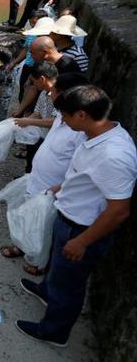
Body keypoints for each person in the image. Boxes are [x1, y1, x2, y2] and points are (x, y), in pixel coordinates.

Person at [16, 86, 137, 347]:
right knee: (57, 271)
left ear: (81, 115)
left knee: (69, 284)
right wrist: (62, 187)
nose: (63, 121)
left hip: (81, 229)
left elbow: (119, 210)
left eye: (65, 116)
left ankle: (54, 331)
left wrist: (82, 242)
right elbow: (85, 176)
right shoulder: (94, 135)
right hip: (68, 215)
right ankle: (46, 291)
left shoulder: (114, 155)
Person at [1, 73, 90, 275]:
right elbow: (53, 122)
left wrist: (61, 187)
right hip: (37, 179)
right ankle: (22, 246)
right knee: (28, 215)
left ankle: (38, 262)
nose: (50, 94)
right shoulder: (65, 114)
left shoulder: (80, 130)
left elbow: (80, 166)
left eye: (54, 91)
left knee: (43, 226)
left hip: (52, 187)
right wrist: (29, 121)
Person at [6, 11, 50, 101]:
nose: (33, 25)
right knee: (22, 89)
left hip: (40, 69)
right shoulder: (31, 33)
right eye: (31, 23)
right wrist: (14, 63)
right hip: (28, 65)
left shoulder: (48, 37)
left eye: (35, 22)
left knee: (35, 92)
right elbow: (26, 49)